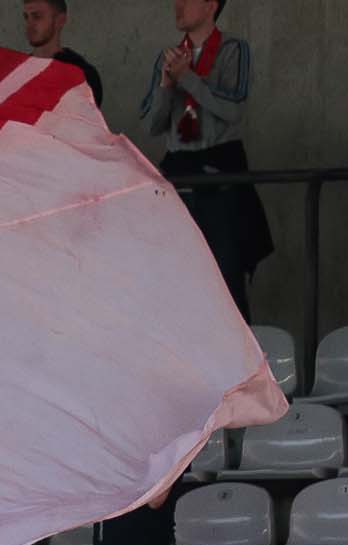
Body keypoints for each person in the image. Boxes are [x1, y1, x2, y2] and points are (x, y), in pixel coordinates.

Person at [140, 0, 269, 314]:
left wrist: (188, 79)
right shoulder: (168, 57)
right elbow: (153, 124)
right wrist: (167, 85)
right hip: (179, 179)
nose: (178, 5)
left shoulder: (234, 50)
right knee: (177, 283)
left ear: (211, 5)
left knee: (226, 284)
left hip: (220, 180)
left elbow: (232, 108)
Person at [22, 0, 105, 107]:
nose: (29, 24)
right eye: (26, 17)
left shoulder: (83, 76)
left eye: (37, 16)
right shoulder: (18, 73)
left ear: (60, 20)